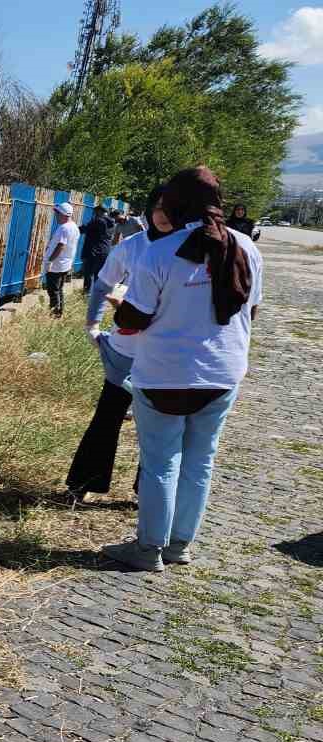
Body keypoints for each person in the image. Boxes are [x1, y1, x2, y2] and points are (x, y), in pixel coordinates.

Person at [101, 166, 261, 572]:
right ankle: (180, 545)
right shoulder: (247, 248)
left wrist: (120, 309)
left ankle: (149, 548)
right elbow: (251, 309)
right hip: (223, 373)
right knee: (200, 460)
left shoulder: (158, 252)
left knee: (161, 461)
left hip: (164, 375)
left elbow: (133, 321)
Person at [66, 186, 173, 499]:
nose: (164, 215)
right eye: (159, 207)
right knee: (106, 418)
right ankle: (83, 483)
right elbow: (103, 285)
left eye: (172, 208)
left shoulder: (186, 250)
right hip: (125, 350)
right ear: (150, 209)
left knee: (156, 429)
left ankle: (148, 492)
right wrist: (92, 325)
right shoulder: (133, 246)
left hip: (162, 355)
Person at [44, 201, 80, 317]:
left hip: (56, 265)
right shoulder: (74, 227)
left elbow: (61, 245)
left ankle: (55, 313)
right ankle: (59, 312)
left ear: (63, 214)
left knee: (53, 290)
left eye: (57, 213)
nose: (56, 216)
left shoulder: (64, 228)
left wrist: (50, 260)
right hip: (65, 264)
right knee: (59, 289)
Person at [79, 207, 116, 293]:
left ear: (99, 212)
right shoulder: (112, 222)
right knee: (98, 275)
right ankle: (96, 294)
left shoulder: (98, 221)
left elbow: (83, 229)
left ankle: (86, 293)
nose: (94, 214)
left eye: (95, 212)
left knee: (88, 274)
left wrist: (74, 228)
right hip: (104, 251)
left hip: (93, 251)